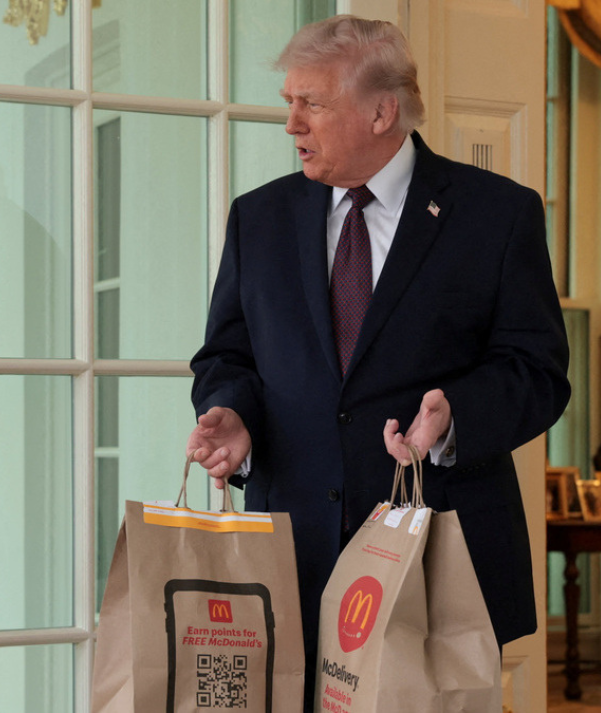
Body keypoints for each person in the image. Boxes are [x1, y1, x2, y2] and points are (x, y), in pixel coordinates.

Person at [187, 15, 570, 711]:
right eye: (289, 102)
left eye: (312, 103)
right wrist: (234, 416)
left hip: (437, 588)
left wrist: (455, 417)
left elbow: (538, 372)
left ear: (381, 111)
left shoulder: (497, 215)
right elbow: (226, 353)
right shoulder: (259, 218)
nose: (291, 124)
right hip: (290, 576)